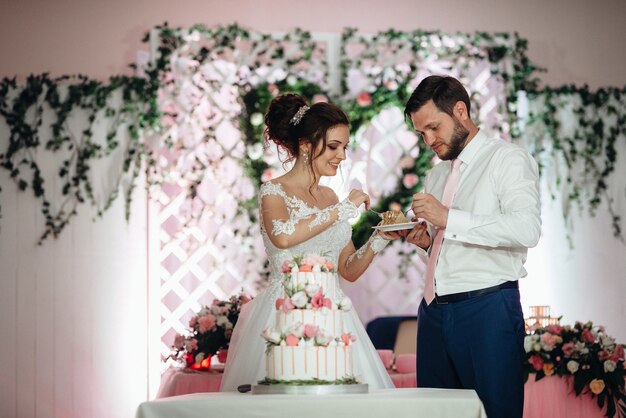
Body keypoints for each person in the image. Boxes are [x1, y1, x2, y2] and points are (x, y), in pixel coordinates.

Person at [220, 93, 397, 391]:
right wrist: (343, 209)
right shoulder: (273, 191)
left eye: (344, 147)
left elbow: (348, 269)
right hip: (283, 315)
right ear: (305, 145)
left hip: (334, 319)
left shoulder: (330, 197)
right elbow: (284, 235)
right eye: (333, 146)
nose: (341, 155)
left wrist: (379, 238)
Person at [402, 75, 541, 418]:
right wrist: (425, 241)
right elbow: (449, 245)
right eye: (422, 133)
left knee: (496, 413)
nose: (428, 140)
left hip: (487, 309)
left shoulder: (506, 159)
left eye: (433, 128)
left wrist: (450, 218)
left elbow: (527, 229)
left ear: (460, 111)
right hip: (433, 313)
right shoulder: (437, 175)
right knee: (436, 414)